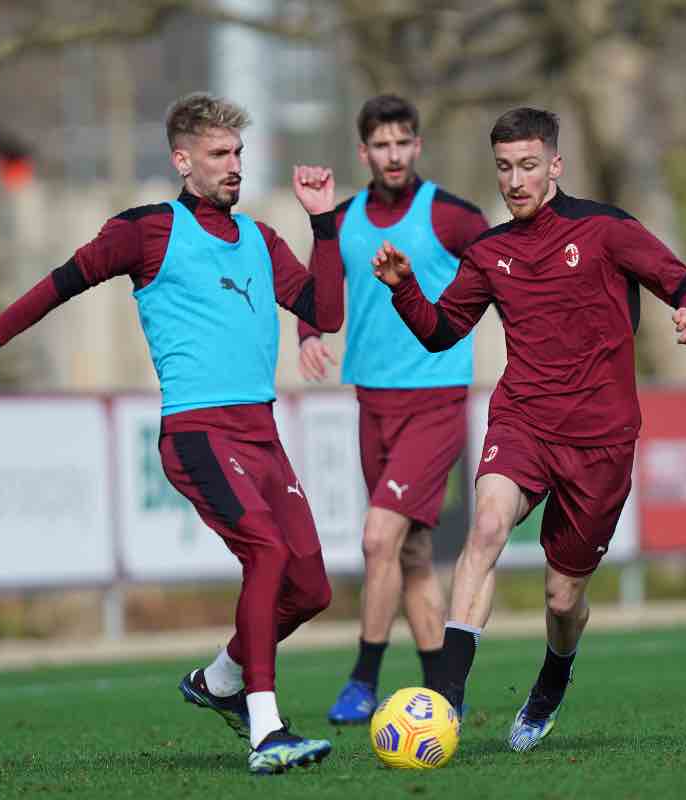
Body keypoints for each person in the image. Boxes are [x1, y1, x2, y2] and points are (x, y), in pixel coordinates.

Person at [0, 92, 344, 775]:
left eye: (238, 153)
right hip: (198, 434)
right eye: (218, 154)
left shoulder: (262, 240)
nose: (233, 166)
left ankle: (217, 681)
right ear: (183, 161)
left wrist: (324, 226)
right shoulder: (146, 231)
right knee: (267, 554)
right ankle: (266, 731)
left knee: (311, 590)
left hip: (263, 435)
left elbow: (324, 311)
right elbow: (56, 287)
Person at [370, 107, 686, 753]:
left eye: (529, 165)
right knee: (488, 526)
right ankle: (445, 697)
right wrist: (406, 288)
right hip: (523, 418)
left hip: (601, 440)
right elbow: (443, 331)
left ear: (555, 164)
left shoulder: (606, 230)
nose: (516, 180)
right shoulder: (490, 252)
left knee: (561, 598)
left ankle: (555, 675)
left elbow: (680, 279)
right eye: (504, 168)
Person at [296, 95, 488, 725]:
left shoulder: (453, 218)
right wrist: (307, 334)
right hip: (371, 402)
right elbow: (317, 287)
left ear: (418, 145)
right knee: (409, 555)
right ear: (364, 153)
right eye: (381, 145)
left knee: (379, 537)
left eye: (403, 142)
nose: (393, 155)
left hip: (435, 400)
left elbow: (507, 274)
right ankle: (443, 697)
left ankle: (363, 679)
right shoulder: (345, 219)